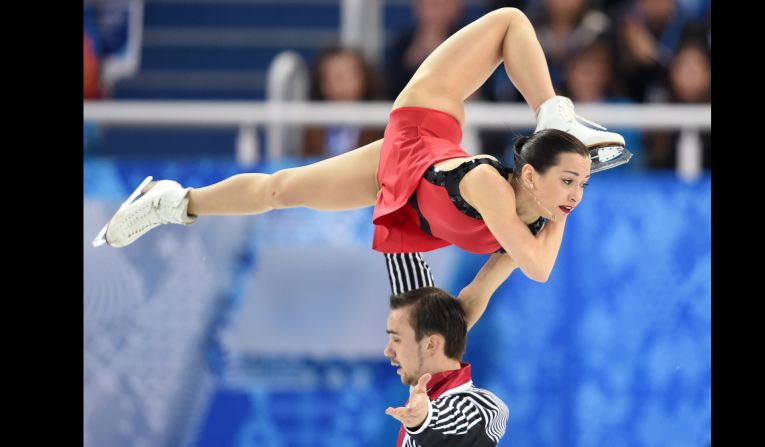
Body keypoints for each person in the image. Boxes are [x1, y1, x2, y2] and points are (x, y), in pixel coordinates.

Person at [94, 8, 632, 328]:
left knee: (283, 190)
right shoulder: (491, 186)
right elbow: (539, 268)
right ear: (531, 175)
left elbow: (473, 301)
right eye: (570, 181)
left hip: (402, 174)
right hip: (426, 119)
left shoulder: (525, 227)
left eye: (582, 185)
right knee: (512, 20)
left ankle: (172, 200)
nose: (576, 196)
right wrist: (562, 206)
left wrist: (435, 370)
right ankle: (556, 114)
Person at [384, 287, 508, 446]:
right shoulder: (420, 392)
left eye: (397, 339)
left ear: (429, 344)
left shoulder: (485, 408)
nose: (388, 351)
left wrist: (426, 419)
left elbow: (466, 421)